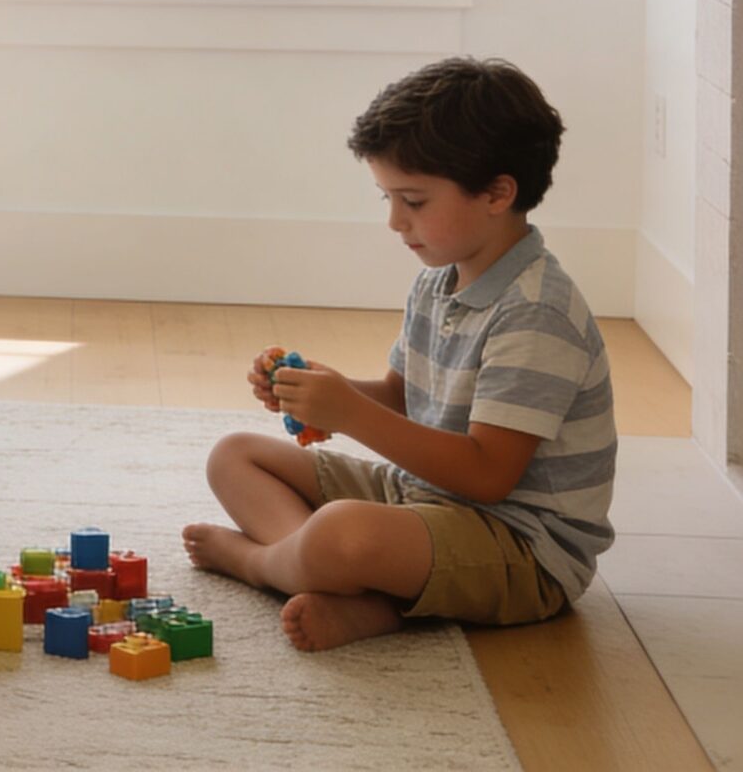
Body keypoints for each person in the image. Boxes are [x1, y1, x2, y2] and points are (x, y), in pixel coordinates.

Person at [184, 57, 617, 652]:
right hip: (425, 498)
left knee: (344, 534)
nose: (394, 221)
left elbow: (489, 476)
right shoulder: (440, 278)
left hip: (519, 548)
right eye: (388, 197)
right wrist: (317, 390)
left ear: (497, 193)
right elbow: (402, 399)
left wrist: (350, 414)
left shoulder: (537, 313)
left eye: (413, 201)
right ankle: (345, 587)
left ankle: (264, 566)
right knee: (234, 456)